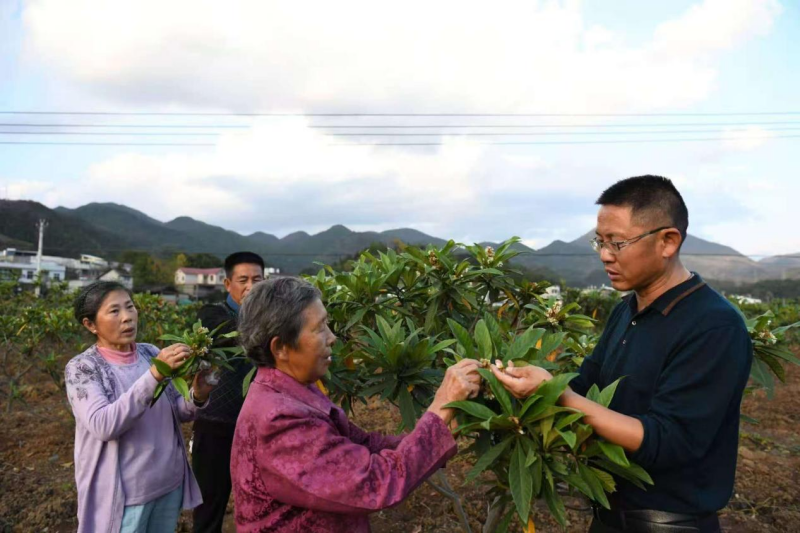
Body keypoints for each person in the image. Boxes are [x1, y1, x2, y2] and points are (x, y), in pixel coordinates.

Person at [492, 175, 752, 533]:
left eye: (617, 243)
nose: (604, 255)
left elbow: (669, 441)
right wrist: (518, 383)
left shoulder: (714, 327)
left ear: (667, 241)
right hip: (608, 517)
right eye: (599, 242)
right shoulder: (626, 310)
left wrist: (562, 397)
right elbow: (586, 383)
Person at [231, 277, 481, 532]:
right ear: (281, 347)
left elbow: (363, 445)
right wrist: (441, 407)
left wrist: (444, 428)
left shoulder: (294, 391)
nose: (333, 338)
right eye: (319, 328)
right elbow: (375, 481)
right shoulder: (279, 420)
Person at [65, 281, 215, 533]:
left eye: (130, 307)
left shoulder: (149, 353)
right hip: (127, 496)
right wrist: (155, 374)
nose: (127, 318)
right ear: (90, 324)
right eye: (114, 311)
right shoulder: (83, 368)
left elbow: (175, 411)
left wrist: (197, 395)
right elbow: (104, 425)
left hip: (168, 484)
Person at [192, 252, 264, 533]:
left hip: (259, 427)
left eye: (256, 280)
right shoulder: (212, 315)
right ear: (227, 283)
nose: (250, 286)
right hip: (216, 425)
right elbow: (227, 334)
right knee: (209, 506)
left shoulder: (268, 319)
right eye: (243, 280)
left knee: (262, 503)